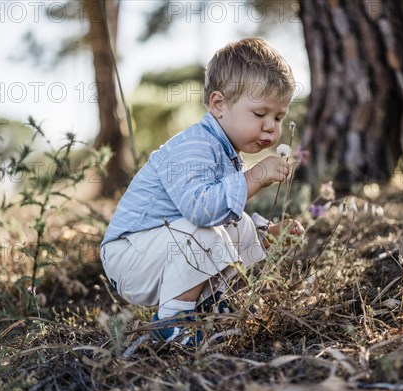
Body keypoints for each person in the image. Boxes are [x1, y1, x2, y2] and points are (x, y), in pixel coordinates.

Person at [100, 38, 304, 347]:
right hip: (128, 256)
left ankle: (208, 306)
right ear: (219, 104)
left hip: (157, 249)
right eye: (260, 113)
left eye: (278, 117)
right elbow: (201, 211)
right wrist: (255, 176)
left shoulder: (223, 150)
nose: (271, 128)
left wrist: (264, 235)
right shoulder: (195, 146)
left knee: (240, 223)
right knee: (204, 232)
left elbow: (224, 217)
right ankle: (173, 321)